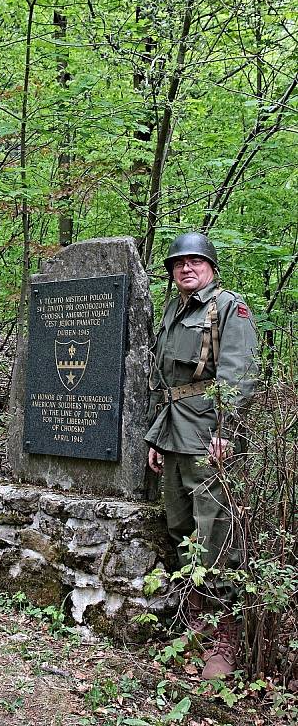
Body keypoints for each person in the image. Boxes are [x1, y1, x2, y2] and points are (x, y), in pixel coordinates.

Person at [145, 232, 257, 679]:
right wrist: (156, 435)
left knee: (216, 535)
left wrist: (226, 435)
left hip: (209, 434)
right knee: (179, 526)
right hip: (174, 430)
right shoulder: (175, 309)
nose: (186, 268)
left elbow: (239, 375)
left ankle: (222, 636)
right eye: (178, 263)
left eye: (195, 261)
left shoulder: (228, 307)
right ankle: (194, 622)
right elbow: (166, 378)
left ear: (210, 266)